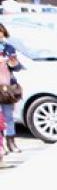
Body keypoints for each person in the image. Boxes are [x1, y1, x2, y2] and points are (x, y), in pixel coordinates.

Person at [0, 23, 21, 162]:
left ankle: (11, 141)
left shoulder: (9, 48)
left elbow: (18, 67)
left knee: (9, 116)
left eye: (1, 32)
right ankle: (1, 147)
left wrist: (13, 64)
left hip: (7, 88)